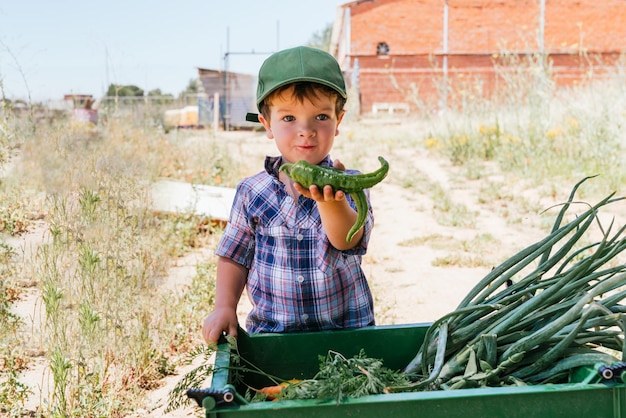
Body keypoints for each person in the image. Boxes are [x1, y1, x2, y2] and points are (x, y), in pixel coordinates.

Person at [202, 46, 375, 344]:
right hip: (274, 338)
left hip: (347, 337)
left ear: (338, 122)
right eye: (289, 118)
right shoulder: (252, 192)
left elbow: (347, 240)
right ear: (267, 124)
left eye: (321, 116)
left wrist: (329, 204)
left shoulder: (350, 184)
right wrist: (224, 307)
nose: (306, 130)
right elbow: (234, 256)